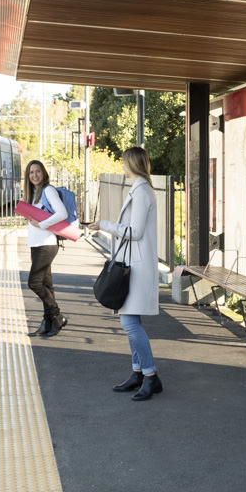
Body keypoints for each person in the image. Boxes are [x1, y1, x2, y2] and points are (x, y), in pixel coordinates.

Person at [92, 146, 162, 401]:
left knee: (129, 323)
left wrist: (104, 225)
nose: (121, 167)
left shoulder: (142, 192)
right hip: (133, 265)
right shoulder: (138, 189)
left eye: (124, 162)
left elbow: (135, 232)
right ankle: (138, 373)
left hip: (138, 268)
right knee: (131, 321)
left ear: (132, 164)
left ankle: (151, 376)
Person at [22, 160, 68, 338]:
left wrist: (42, 224)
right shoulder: (33, 193)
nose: (34, 175)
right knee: (46, 285)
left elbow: (62, 213)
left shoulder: (48, 190)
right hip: (36, 244)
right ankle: (48, 322)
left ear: (44, 173)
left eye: (38, 172)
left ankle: (57, 316)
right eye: (31, 172)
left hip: (47, 244)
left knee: (34, 283)